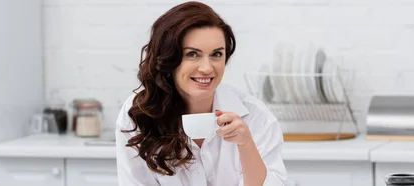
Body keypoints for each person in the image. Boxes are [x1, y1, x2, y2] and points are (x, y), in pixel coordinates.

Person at [115, 1, 288, 186]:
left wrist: (246, 145)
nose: (207, 68)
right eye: (192, 54)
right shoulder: (138, 115)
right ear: (168, 58)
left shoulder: (255, 117)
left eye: (216, 54)